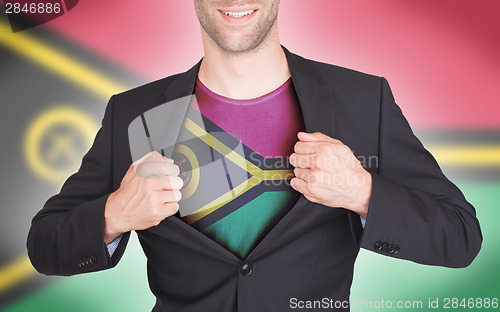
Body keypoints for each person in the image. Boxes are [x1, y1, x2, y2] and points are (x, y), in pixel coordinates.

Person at [27, 1, 482, 311]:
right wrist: (114, 214)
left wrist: (363, 192)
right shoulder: (134, 113)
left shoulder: (363, 100)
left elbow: (460, 237)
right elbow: (45, 246)